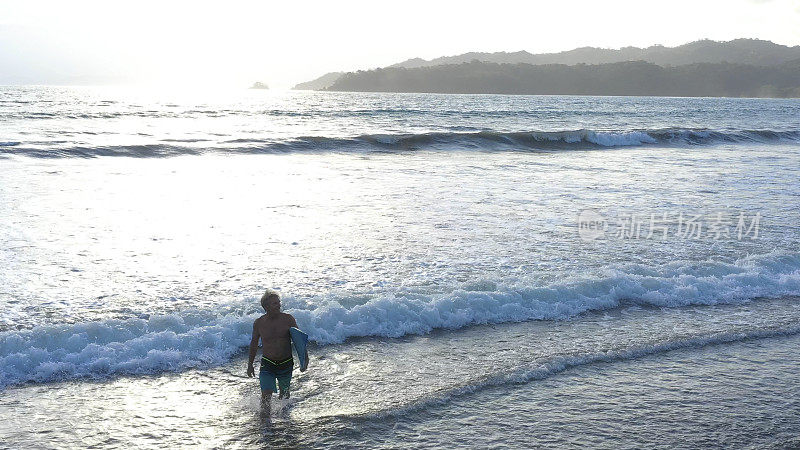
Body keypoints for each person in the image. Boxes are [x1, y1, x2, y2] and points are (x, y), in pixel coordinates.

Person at [247, 289, 299, 411]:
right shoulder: (259, 323)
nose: (279, 305)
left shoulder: (288, 319)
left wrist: (304, 358)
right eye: (275, 303)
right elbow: (254, 344)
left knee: (284, 396)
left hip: (286, 363)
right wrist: (250, 365)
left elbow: (299, 340)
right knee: (266, 396)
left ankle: (284, 423)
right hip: (267, 364)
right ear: (266, 306)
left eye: (279, 302)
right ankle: (265, 425)